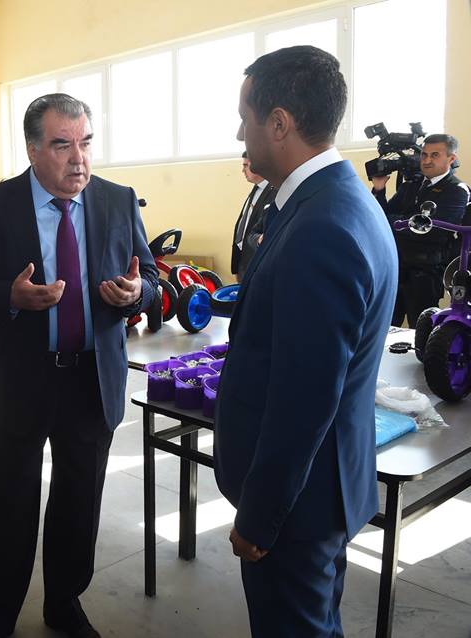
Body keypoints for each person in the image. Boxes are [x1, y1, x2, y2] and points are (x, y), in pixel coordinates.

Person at [0, 93, 158, 638]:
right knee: (8, 503)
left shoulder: (117, 200)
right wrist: (9, 296)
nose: (78, 159)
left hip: (91, 378)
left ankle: (64, 601)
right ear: (33, 149)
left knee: (79, 502)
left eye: (86, 143)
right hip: (21, 379)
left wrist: (137, 293)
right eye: (62, 145)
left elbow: (153, 278)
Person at [213, 46, 397, 638]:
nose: (239, 133)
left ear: (279, 123)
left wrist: (259, 518)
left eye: (244, 117)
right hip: (320, 489)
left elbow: (304, 401)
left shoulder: (321, 228)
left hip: (298, 504)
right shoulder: (335, 201)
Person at [371, 134, 470, 327]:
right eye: (424, 155)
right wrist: (379, 189)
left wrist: (398, 222)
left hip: (425, 273)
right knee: (383, 326)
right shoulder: (411, 185)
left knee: (421, 331)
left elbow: (433, 231)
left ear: (451, 158)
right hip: (395, 267)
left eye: (435, 155)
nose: (427, 160)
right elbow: (379, 218)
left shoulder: (457, 190)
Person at [230, 151, 276, 282]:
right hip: (243, 260)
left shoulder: (275, 192)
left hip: (256, 264)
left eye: (246, 165)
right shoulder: (256, 189)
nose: (242, 170)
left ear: (258, 165)